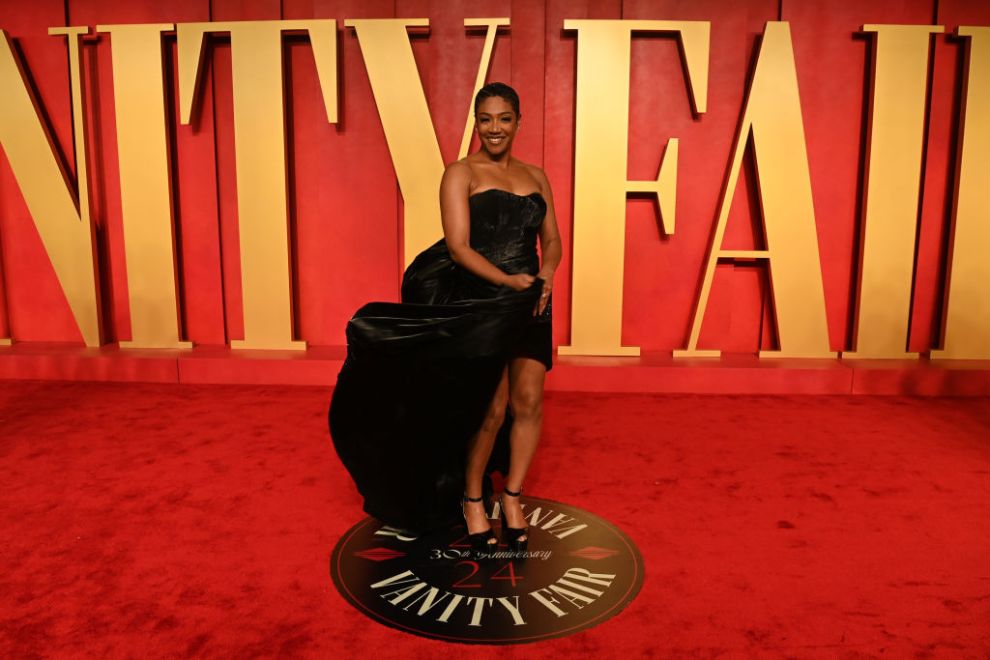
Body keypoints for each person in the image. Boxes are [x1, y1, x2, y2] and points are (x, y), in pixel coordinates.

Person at [328, 82, 562, 554]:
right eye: (486, 119)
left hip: (531, 300)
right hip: (485, 301)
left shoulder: (537, 176)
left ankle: (512, 497)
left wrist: (548, 273)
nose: (495, 128)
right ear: (476, 123)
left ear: (519, 121)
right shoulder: (460, 173)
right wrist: (506, 281)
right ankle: (473, 499)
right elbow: (458, 247)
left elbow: (551, 241)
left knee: (530, 401)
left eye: (504, 119)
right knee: (492, 410)